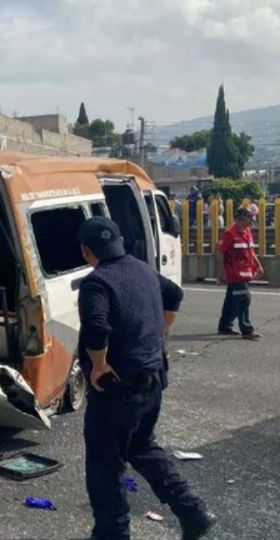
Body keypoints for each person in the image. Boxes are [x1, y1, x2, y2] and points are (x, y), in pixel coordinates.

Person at [76, 216, 214, 540]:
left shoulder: (97, 282)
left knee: (104, 466)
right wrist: (157, 332)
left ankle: (113, 533)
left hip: (116, 391)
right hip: (151, 384)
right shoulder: (141, 270)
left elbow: (96, 328)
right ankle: (192, 510)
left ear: (85, 251)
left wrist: (98, 364)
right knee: (142, 447)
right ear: (120, 241)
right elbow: (175, 294)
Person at [217, 205, 263, 340]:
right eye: (250, 219)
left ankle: (224, 327)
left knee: (231, 301)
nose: (252, 222)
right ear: (241, 219)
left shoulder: (247, 231)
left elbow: (251, 251)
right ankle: (247, 330)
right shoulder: (229, 234)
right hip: (234, 273)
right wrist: (222, 271)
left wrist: (258, 265)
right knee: (244, 299)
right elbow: (220, 252)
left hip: (245, 272)